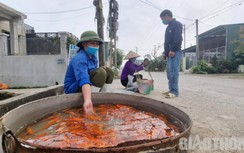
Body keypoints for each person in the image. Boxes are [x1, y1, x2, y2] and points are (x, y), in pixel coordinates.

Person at [64, 30, 114, 114]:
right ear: (84, 44)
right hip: (74, 88)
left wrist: (101, 69)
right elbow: (83, 79)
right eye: (92, 43)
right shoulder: (79, 58)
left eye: (97, 44)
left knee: (108, 71)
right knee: (101, 73)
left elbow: (91, 73)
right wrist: (87, 100)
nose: (95, 46)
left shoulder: (93, 57)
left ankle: (103, 97)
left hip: (85, 85)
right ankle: (90, 102)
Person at [160, 9, 183, 98]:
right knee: (169, 72)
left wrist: (173, 50)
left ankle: (174, 91)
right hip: (169, 53)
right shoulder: (168, 27)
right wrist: (164, 53)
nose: (162, 21)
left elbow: (178, 39)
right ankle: (171, 89)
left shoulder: (177, 24)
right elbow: (167, 42)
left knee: (174, 72)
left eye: (162, 19)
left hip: (175, 52)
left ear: (166, 16)